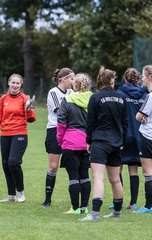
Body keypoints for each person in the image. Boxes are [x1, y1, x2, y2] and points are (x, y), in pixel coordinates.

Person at [79, 66, 128, 221]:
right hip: (116, 143)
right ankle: (117, 213)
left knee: (98, 177)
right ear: (112, 80)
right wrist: (122, 142)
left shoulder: (95, 97)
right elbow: (125, 123)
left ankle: (94, 214)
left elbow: (90, 122)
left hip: (100, 142)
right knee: (115, 179)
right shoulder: (122, 98)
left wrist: (88, 141)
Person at [0, 74, 36, 203]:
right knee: (5, 164)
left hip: (19, 133)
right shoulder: (3, 99)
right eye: (13, 83)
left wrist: (29, 109)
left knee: (13, 162)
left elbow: (31, 119)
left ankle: (21, 193)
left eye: (17, 83)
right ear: (9, 83)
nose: (15, 85)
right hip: (5, 134)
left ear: (21, 85)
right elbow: (0, 119)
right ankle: (11, 195)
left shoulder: (24, 98)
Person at [56, 73, 92, 214]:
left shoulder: (67, 99)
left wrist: (60, 140)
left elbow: (61, 123)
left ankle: (75, 208)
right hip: (87, 142)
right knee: (84, 175)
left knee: (73, 177)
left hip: (70, 142)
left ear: (74, 85)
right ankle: (84, 207)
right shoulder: (93, 99)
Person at [113, 68, 147, 211]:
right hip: (139, 136)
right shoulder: (145, 94)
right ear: (138, 79)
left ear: (124, 79)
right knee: (133, 170)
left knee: (117, 169)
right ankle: (133, 204)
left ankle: (118, 201)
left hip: (123, 136)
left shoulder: (120, 94)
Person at [41, 68, 74, 207]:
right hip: (55, 130)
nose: (73, 82)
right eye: (71, 79)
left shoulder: (72, 93)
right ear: (63, 79)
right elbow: (60, 111)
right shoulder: (53, 92)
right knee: (53, 166)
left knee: (72, 165)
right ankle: (47, 199)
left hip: (70, 131)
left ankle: (77, 200)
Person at [134, 65, 152, 214]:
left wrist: (142, 118)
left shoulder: (150, 96)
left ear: (149, 77)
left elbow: (139, 116)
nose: (142, 78)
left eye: (143, 75)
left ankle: (148, 205)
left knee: (148, 172)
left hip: (148, 137)